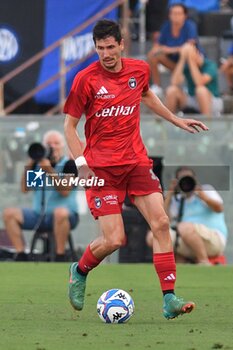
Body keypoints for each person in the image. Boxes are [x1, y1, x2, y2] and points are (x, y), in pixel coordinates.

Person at [63, 19, 209, 320]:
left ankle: (169, 298)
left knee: (161, 222)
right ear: (95, 48)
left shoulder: (139, 69)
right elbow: (69, 126)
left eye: (110, 47)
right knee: (115, 240)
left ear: (121, 44)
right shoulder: (85, 80)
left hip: (136, 162)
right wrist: (81, 164)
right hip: (101, 169)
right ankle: (79, 270)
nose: (105, 53)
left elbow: (146, 95)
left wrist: (176, 120)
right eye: (100, 48)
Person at [2, 130, 79, 262]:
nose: (52, 146)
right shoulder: (38, 166)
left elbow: (65, 191)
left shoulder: (69, 165)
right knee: (9, 214)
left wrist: (50, 171)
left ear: (62, 146)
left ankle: (60, 255)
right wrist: (29, 166)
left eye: (56, 143)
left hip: (66, 215)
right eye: (49, 143)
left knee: (60, 213)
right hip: (39, 215)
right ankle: (21, 254)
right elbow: (25, 189)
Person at [159, 166, 227, 264]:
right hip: (187, 240)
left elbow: (219, 208)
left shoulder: (206, 190)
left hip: (213, 239)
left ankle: (203, 262)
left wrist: (203, 197)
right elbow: (165, 220)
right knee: (156, 235)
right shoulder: (178, 199)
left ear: (195, 179)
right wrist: (170, 193)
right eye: (183, 179)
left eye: (189, 178)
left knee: (183, 227)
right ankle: (176, 266)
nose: (187, 182)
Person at [147, 3, 201, 98]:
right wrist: (158, 49)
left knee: (187, 51)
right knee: (152, 55)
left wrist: (168, 49)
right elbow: (158, 46)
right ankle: (157, 86)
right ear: (169, 15)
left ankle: (188, 86)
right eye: (173, 13)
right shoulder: (166, 26)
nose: (176, 16)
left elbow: (190, 46)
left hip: (189, 64)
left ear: (185, 15)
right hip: (173, 62)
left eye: (179, 13)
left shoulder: (190, 26)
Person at [165, 43, 223, 118]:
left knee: (200, 90)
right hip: (192, 99)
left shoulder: (210, 65)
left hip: (212, 102)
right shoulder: (187, 66)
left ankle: (207, 124)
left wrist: (191, 60)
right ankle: (169, 122)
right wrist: (182, 59)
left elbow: (199, 82)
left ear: (198, 53)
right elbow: (174, 82)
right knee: (172, 90)